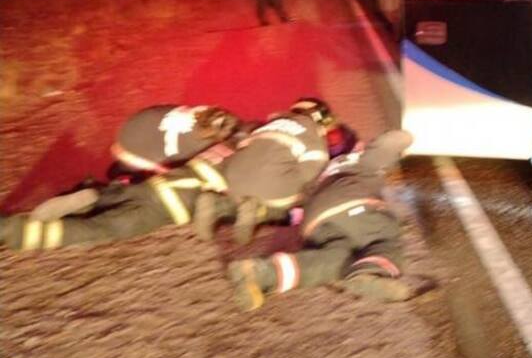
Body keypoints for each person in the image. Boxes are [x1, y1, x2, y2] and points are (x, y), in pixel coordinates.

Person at [225, 130, 434, 311]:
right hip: (353, 203)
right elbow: (390, 143)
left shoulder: (322, 171)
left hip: (315, 221)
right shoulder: (361, 162)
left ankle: (259, 273)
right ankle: (371, 272)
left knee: (334, 260)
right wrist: (408, 137)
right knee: (388, 238)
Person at [0, 138, 240, 251]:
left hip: (152, 185)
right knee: (102, 229)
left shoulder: (225, 147)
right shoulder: (256, 172)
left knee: (108, 202)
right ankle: (16, 231)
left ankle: (90, 198)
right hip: (164, 208)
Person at [196, 98, 335, 244]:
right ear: (319, 117)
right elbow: (312, 171)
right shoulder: (312, 131)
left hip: (233, 178)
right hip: (268, 186)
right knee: (307, 194)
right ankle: (260, 212)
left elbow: (241, 147)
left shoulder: (270, 124)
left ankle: (218, 204)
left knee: (244, 196)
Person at [109, 104, 242, 180]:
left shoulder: (201, 111)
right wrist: (162, 170)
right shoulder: (193, 142)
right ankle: (124, 174)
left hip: (131, 128)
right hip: (133, 149)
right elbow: (160, 163)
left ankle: (122, 170)